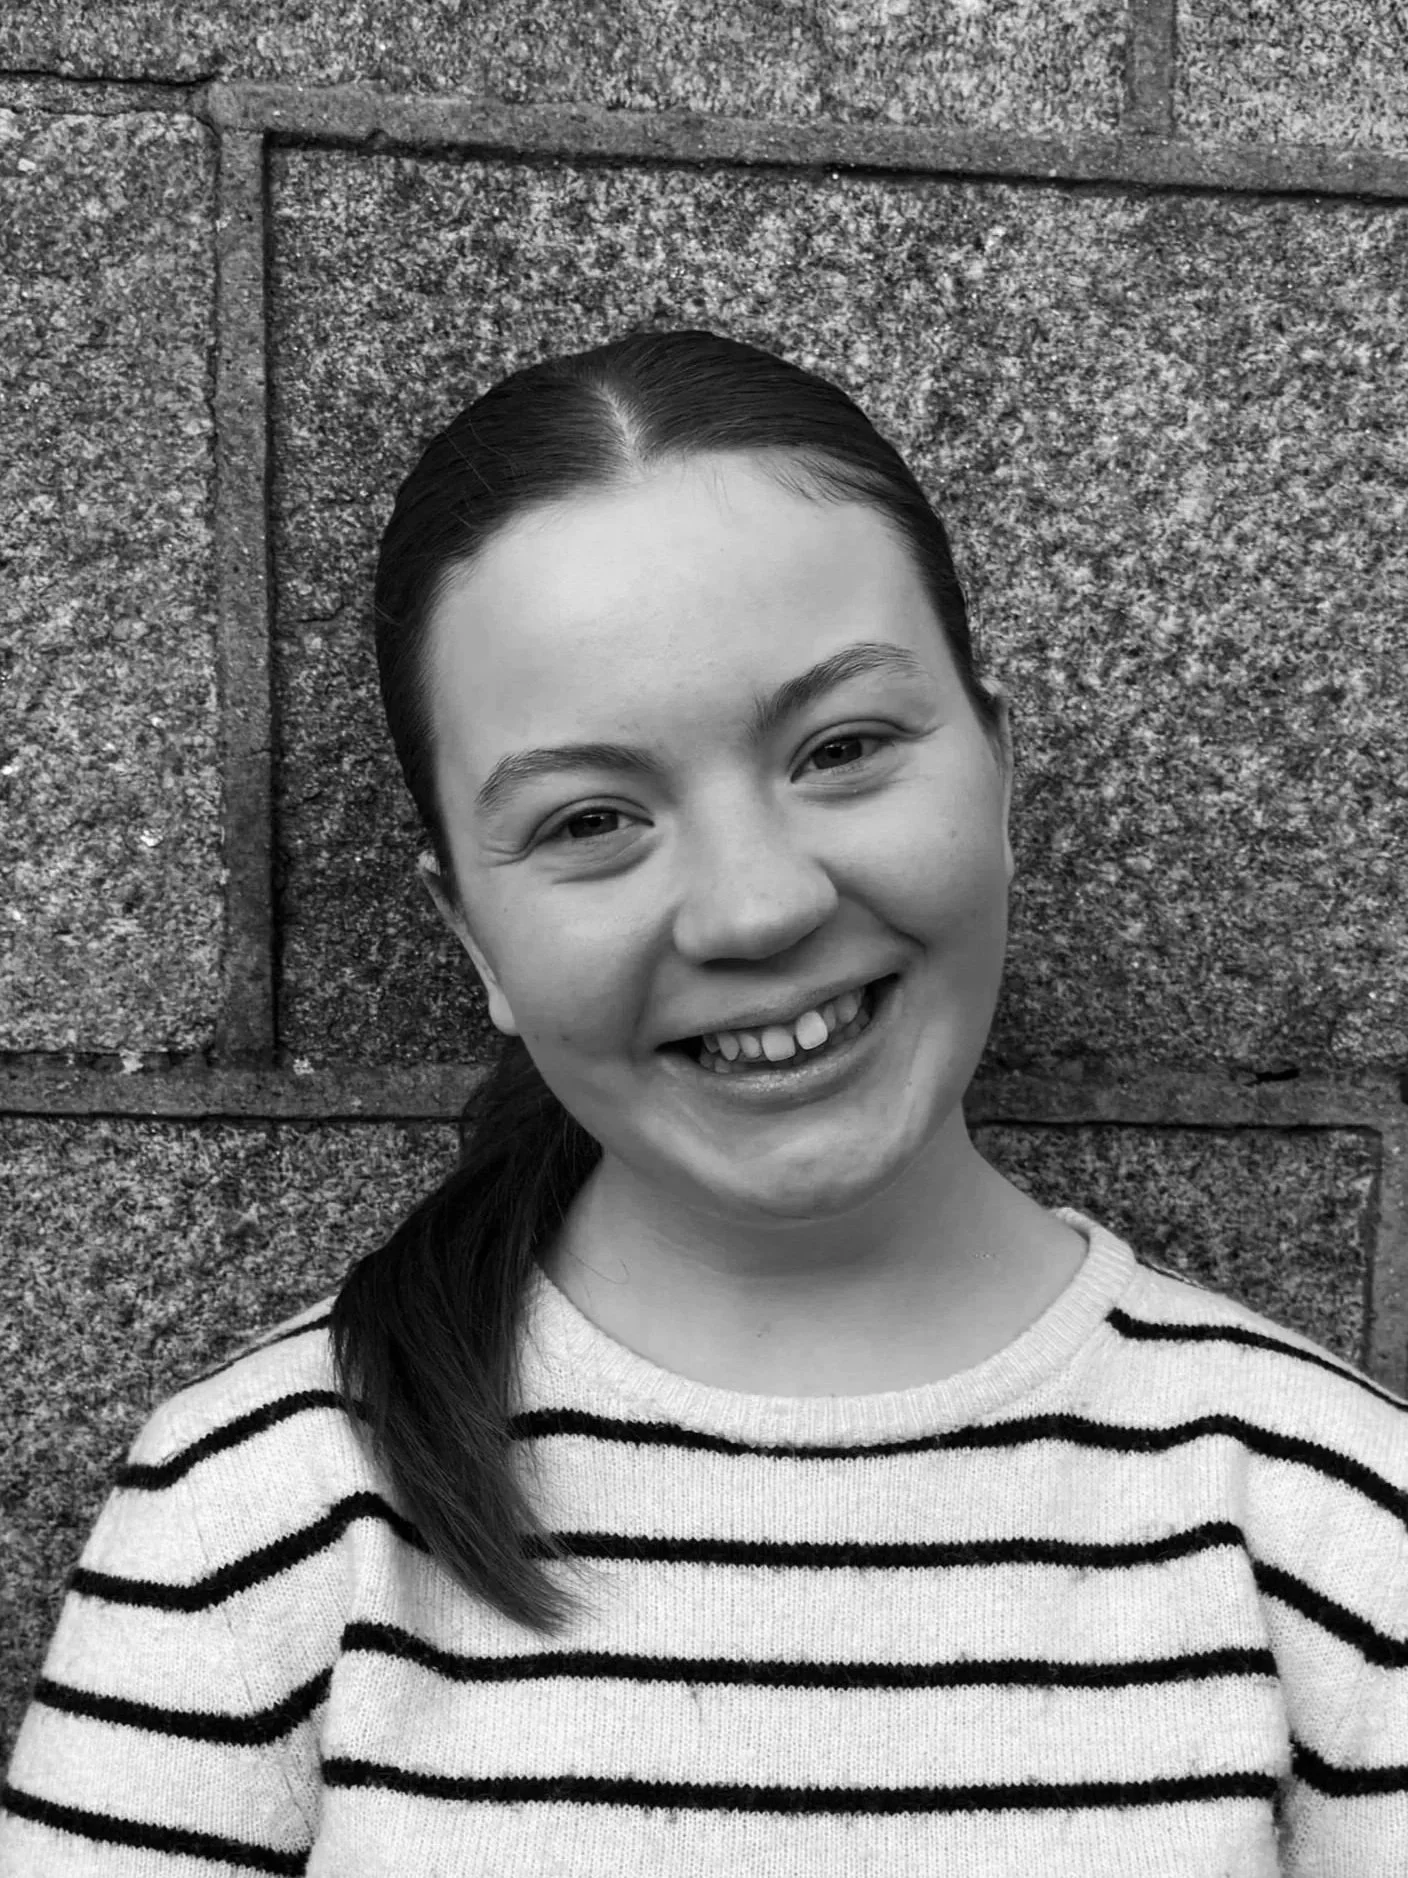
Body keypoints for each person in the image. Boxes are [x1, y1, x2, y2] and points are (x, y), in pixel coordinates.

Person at [2, 329, 1404, 1876]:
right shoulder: (253, 1513)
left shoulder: (1337, 1525)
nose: (754, 906)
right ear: (473, 934)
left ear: (1000, 776)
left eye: (842, 747)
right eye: (590, 820)